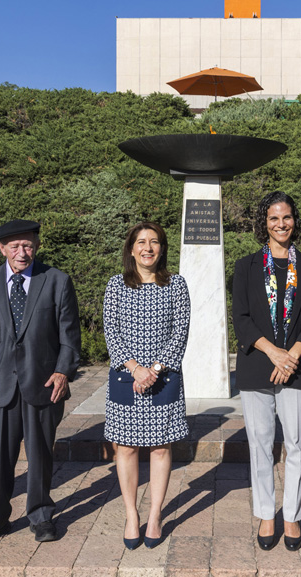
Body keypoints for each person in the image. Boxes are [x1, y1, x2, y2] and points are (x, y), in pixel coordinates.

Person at [0, 219, 81, 544]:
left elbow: (70, 335)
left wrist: (63, 371)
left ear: (37, 246)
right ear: (2, 248)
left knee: (40, 455)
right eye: (14, 246)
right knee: (0, 458)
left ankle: (41, 516)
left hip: (43, 383)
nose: (21, 252)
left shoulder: (56, 281)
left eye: (27, 245)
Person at [231, 191, 301, 552]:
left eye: (286, 217)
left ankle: (293, 515)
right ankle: (266, 513)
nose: (281, 224)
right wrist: (274, 353)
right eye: (273, 218)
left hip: (298, 367)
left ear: (294, 221)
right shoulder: (246, 266)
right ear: (264, 222)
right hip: (258, 364)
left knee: (298, 444)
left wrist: (291, 357)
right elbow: (241, 318)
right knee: (260, 444)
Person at [102, 222, 191, 550]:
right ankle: (131, 515)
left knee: (160, 447)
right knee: (125, 447)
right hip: (125, 376)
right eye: (141, 242)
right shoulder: (116, 285)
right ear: (131, 248)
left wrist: (153, 370)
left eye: (154, 242)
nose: (148, 248)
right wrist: (136, 369)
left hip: (163, 377)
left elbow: (181, 331)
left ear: (162, 248)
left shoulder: (176, 284)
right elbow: (111, 330)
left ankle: (154, 515)